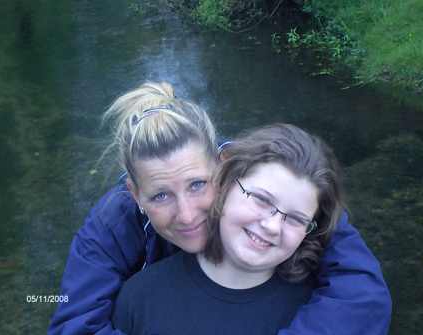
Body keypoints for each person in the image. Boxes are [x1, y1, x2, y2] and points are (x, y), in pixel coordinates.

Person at [48, 82, 391, 335]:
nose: (187, 214)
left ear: (223, 167)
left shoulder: (282, 191)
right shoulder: (111, 225)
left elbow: (362, 294)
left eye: (198, 185)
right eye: (160, 197)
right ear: (134, 194)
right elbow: (74, 322)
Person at [112, 123, 343, 335]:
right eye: (261, 199)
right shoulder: (140, 298)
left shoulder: (318, 310)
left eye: (295, 219)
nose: (272, 226)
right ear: (226, 183)